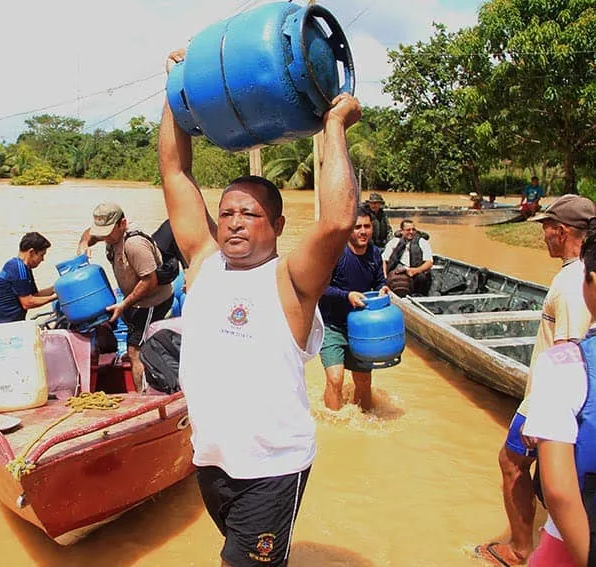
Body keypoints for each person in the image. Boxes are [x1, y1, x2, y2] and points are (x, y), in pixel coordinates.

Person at [160, 47, 361, 567]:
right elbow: (176, 171)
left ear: (277, 225)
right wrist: (176, 89)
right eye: (226, 211)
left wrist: (334, 126)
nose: (233, 221)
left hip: (271, 469)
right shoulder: (203, 263)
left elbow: (337, 222)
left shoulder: (291, 281)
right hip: (211, 460)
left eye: (248, 213)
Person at [475, 194, 596, 566]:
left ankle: (520, 548)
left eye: (546, 228)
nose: (543, 235)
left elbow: (570, 349)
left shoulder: (573, 282)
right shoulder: (578, 273)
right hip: (563, 395)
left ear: (561, 231)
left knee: (511, 463)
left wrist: (540, 414)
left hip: (549, 398)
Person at [521, 219, 596, 567]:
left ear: (590, 283)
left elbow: (560, 492)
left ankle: (518, 545)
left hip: (575, 542)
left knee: (511, 463)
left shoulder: (564, 365)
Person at [76, 203, 174, 392]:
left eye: (108, 232)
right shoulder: (110, 234)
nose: (104, 237)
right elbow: (90, 234)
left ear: (122, 223)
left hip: (151, 302)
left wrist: (124, 304)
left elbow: (150, 281)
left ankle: (143, 396)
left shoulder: (134, 244)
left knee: (135, 350)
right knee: (134, 344)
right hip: (132, 300)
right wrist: (83, 243)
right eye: (101, 232)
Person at [319, 206, 388, 412]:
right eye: (357, 227)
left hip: (361, 328)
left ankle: (365, 420)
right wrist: (346, 295)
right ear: (348, 230)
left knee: (364, 381)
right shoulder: (335, 254)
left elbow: (380, 282)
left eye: (367, 226)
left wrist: (383, 289)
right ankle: (334, 422)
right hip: (332, 325)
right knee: (335, 379)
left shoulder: (375, 254)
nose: (363, 231)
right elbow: (319, 288)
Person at [0, 231, 57, 331]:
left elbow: (35, 295)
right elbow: (27, 302)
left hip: (6, 325)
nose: (42, 259)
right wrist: (54, 297)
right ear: (32, 252)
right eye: (42, 255)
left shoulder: (23, 267)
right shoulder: (17, 268)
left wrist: (56, 287)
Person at [382, 219, 433, 296]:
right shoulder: (394, 242)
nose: (411, 232)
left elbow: (429, 262)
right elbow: (384, 260)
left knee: (421, 278)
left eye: (413, 229)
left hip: (415, 273)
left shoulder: (422, 242)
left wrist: (414, 270)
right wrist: (385, 278)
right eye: (408, 230)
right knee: (396, 280)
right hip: (398, 272)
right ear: (402, 231)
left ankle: (419, 296)